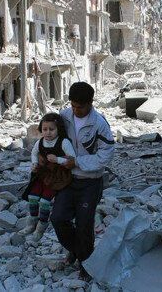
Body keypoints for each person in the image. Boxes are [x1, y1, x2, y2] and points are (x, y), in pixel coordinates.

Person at [51, 82, 115, 279]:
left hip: (90, 182)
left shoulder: (99, 124)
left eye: (80, 107)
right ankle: (78, 251)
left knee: (84, 224)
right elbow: (51, 139)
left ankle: (86, 265)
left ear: (90, 104)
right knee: (58, 218)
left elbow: (106, 155)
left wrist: (77, 162)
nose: (76, 110)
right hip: (68, 181)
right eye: (73, 106)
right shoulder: (64, 117)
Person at [20, 113, 76, 242]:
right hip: (42, 174)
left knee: (45, 202)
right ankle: (31, 224)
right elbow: (34, 153)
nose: (48, 132)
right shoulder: (40, 142)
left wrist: (58, 159)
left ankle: (41, 227)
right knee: (32, 197)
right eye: (45, 129)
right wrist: (34, 164)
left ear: (58, 129)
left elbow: (73, 158)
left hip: (57, 177)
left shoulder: (64, 142)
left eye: (52, 129)